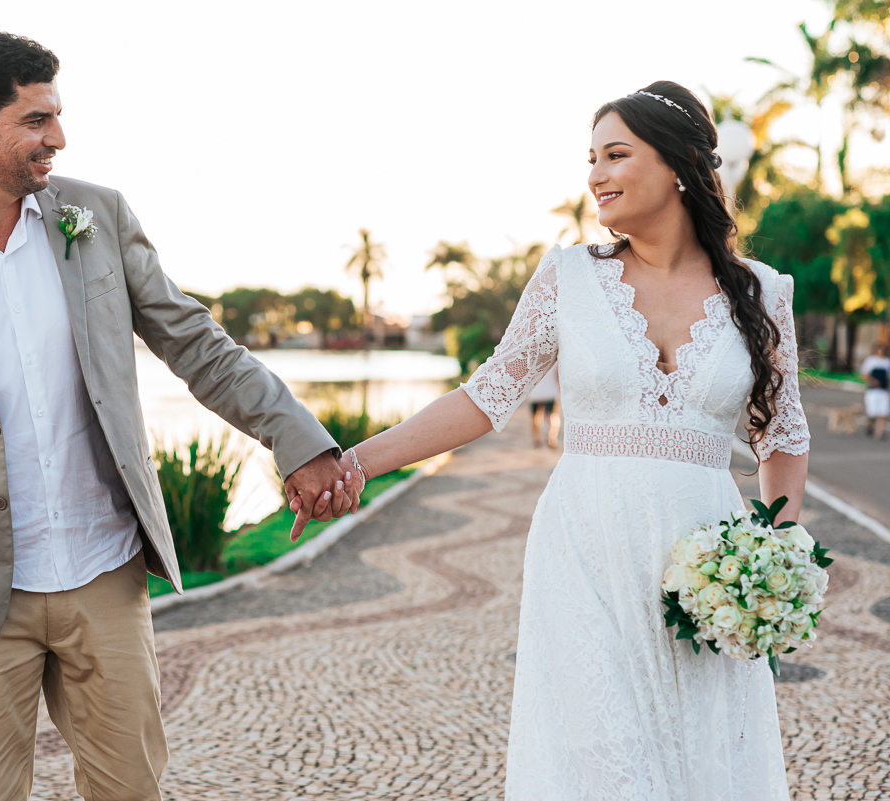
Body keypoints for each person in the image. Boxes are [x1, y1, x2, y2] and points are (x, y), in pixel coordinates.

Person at [0, 31, 356, 801]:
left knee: (132, 790)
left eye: (57, 117)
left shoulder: (96, 216)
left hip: (103, 568)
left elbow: (198, 343)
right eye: (36, 120)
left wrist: (296, 438)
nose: (58, 138)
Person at [313, 82, 810, 798]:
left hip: (708, 560)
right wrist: (354, 461)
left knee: (702, 751)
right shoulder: (569, 278)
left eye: (615, 155)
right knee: (604, 760)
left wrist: (770, 557)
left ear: (676, 167)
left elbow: (782, 435)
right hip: (584, 548)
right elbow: (485, 398)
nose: (596, 175)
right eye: (591, 159)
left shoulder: (764, 293)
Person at [527, 365, 560, 448]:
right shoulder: (555, 359)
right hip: (550, 391)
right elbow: (558, 375)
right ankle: (552, 438)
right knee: (553, 415)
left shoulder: (533, 359)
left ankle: (537, 438)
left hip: (535, 392)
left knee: (535, 416)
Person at [861, 342, 889, 439]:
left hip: (883, 390)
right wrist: (872, 381)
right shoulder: (871, 360)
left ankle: (879, 433)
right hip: (873, 390)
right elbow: (865, 374)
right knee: (872, 413)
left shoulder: (887, 362)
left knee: (882, 413)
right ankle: (870, 427)